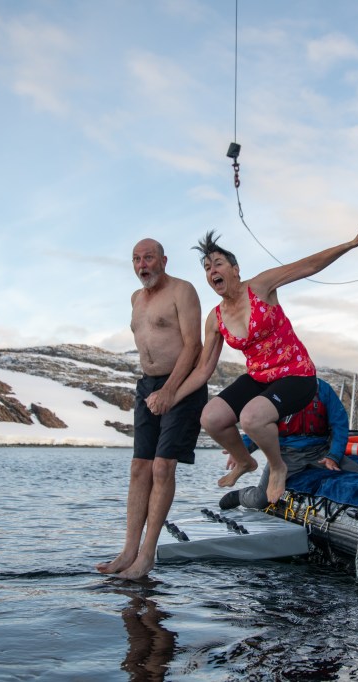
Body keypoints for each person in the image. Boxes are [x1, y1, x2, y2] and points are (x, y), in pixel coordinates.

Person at [163, 226, 358, 505]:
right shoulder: (215, 319)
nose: (212, 270)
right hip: (260, 378)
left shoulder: (260, 286)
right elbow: (203, 369)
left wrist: (350, 244)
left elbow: (308, 266)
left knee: (252, 418)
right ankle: (244, 461)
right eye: (207, 267)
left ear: (235, 269)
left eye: (218, 263)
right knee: (211, 418)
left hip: (297, 374)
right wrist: (170, 397)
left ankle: (277, 467)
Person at [96, 238, 208, 579]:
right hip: (147, 385)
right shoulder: (135, 299)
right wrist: (155, 389)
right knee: (139, 467)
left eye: (148, 258)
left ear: (163, 260)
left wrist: (170, 390)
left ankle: (147, 556)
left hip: (181, 385)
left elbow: (194, 345)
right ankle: (128, 551)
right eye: (136, 259)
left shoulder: (182, 290)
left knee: (162, 466)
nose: (142, 265)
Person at [219, 378, 358, 510]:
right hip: (285, 455)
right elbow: (258, 425)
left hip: (320, 452)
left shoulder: (323, 388)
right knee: (261, 499)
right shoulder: (274, 391)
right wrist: (240, 451)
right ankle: (240, 495)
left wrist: (333, 456)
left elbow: (339, 424)